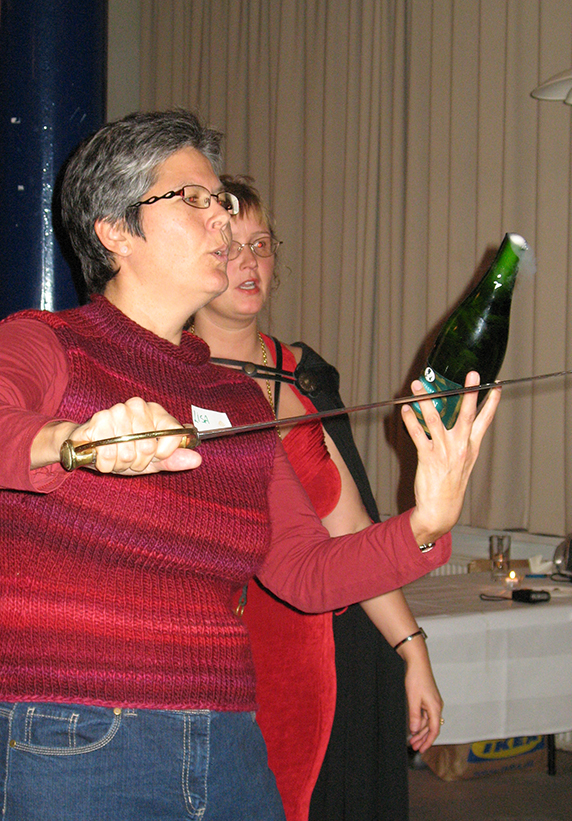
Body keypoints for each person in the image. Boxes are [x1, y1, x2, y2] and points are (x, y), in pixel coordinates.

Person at [0, 109, 499, 821]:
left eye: (221, 202)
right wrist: (73, 441)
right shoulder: (48, 343)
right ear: (114, 229)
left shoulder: (235, 398)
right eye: (194, 199)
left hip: (225, 735)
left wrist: (428, 520)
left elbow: (303, 572)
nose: (224, 222)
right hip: (70, 732)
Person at [191, 173, 442, 821]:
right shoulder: (168, 373)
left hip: (319, 659)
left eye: (262, 243)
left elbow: (351, 528)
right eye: (229, 244)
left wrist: (411, 649)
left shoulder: (300, 376)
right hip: (215, 664)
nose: (249, 261)